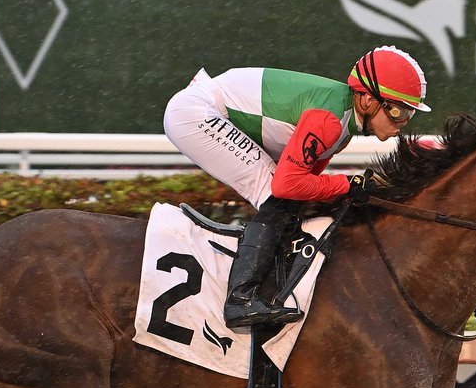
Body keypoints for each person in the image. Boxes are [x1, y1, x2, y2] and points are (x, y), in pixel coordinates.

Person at [163, 45, 431, 328]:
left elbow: (306, 188)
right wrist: (347, 184)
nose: (402, 122)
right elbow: (286, 185)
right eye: (398, 110)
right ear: (366, 99)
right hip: (197, 113)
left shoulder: (343, 133)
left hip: (208, 108)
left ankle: (263, 288)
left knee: (287, 204)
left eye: (409, 115)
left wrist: (347, 189)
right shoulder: (329, 121)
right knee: (273, 194)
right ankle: (240, 301)